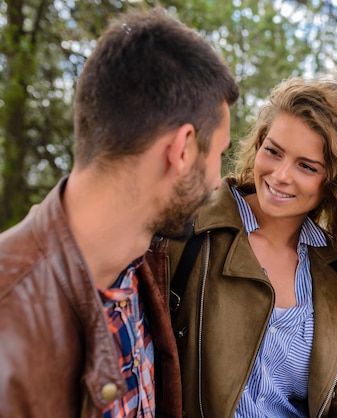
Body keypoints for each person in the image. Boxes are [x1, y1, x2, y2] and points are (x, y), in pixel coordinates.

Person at [0, 8, 238, 418]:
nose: (218, 180)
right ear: (181, 150)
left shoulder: (140, 262)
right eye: (219, 153)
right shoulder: (9, 318)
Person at [168, 77, 337, 418]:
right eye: (273, 151)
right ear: (259, 145)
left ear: (336, 182)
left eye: (306, 166)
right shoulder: (190, 232)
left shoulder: (330, 266)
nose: (280, 175)